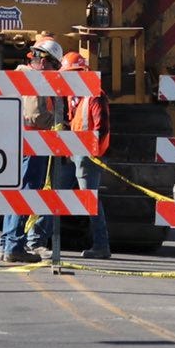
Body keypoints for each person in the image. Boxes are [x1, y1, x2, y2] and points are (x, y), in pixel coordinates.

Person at [1, 36, 70, 263]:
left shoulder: (25, 76)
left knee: (16, 191)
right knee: (27, 192)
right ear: (44, 61)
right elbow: (36, 115)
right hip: (33, 143)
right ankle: (13, 245)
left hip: (23, 142)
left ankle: (7, 243)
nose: (55, 70)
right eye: (54, 65)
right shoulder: (34, 80)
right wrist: (59, 121)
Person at [64, 47, 111, 261]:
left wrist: (93, 153)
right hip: (73, 153)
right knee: (53, 194)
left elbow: (102, 128)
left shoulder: (94, 95)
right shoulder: (73, 96)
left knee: (90, 201)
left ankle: (101, 245)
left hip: (87, 156)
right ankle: (36, 240)